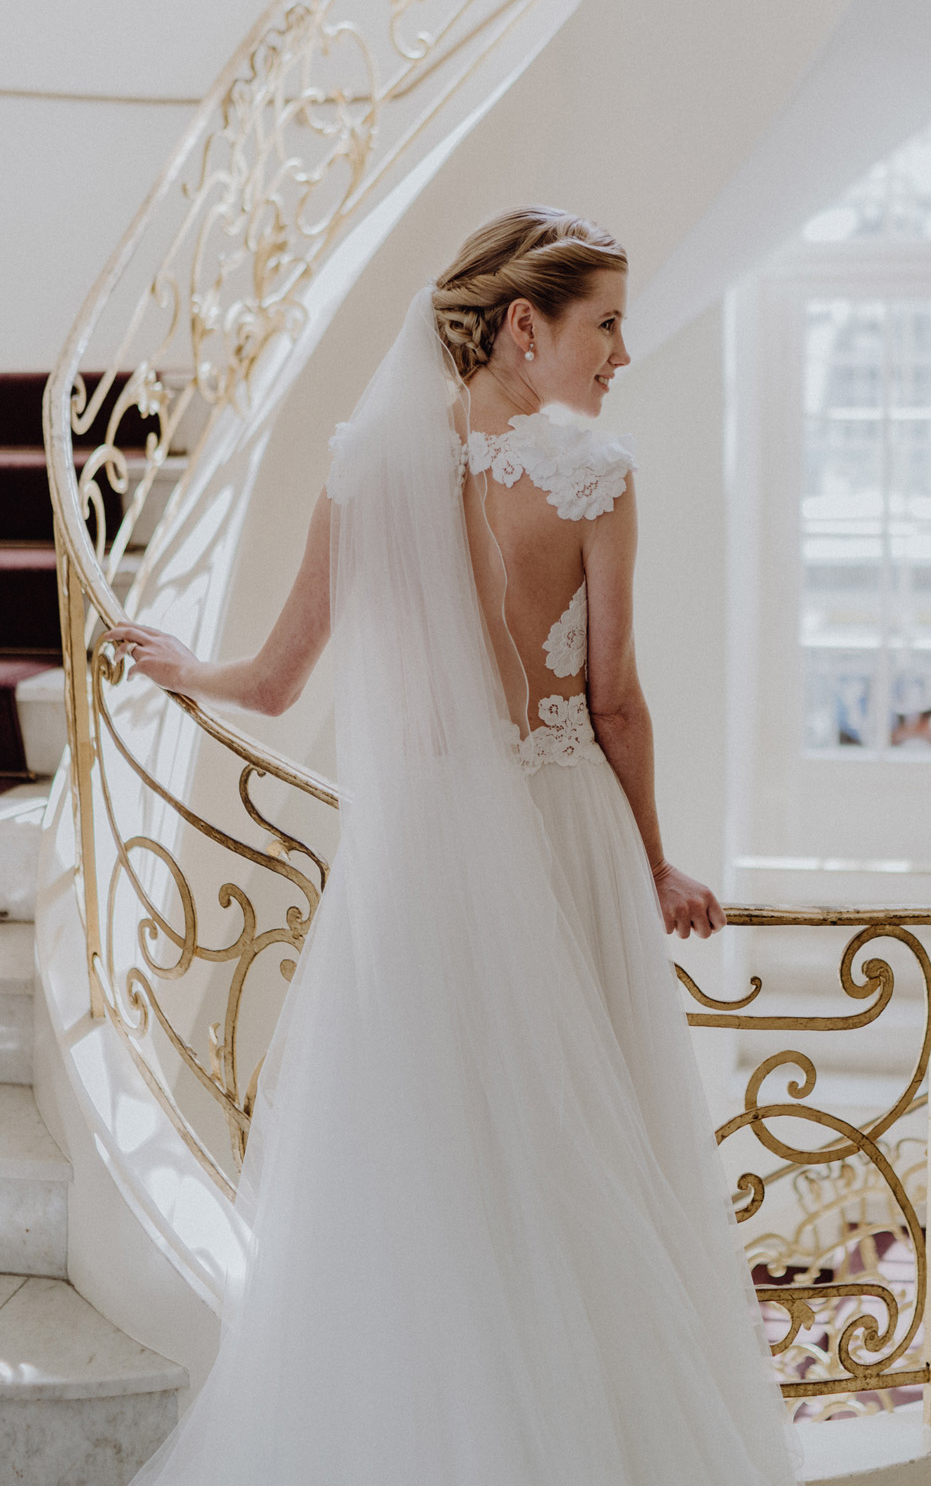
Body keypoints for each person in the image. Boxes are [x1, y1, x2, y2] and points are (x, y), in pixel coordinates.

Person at [109, 207, 801, 1485]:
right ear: (523, 329)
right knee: (589, 1148)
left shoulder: (366, 469)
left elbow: (269, 684)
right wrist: (653, 865)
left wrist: (178, 668)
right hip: (563, 839)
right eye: (606, 324)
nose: (623, 354)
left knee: (440, 1161)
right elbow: (614, 704)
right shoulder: (595, 476)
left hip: (419, 867)